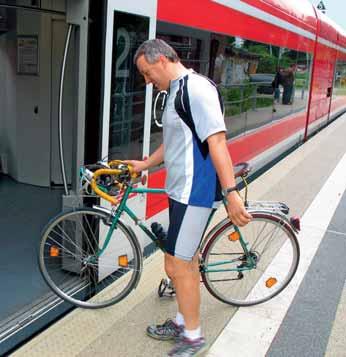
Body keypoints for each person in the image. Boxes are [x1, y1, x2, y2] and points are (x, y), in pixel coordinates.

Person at [127, 39, 252, 357]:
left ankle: (193, 337)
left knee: (179, 265)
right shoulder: (173, 93)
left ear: (162, 60)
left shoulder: (195, 90)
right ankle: (184, 322)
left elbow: (218, 142)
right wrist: (144, 164)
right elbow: (172, 143)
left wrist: (231, 194)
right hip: (179, 191)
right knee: (180, 262)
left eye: (146, 72)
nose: (146, 80)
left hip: (195, 193)